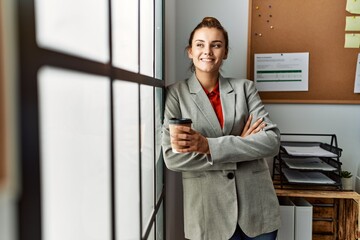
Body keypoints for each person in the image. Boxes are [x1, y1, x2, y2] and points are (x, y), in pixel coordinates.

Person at [162, 17, 281, 240]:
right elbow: (173, 158)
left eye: (216, 45)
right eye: (200, 44)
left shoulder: (245, 89)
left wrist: (207, 146)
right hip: (208, 216)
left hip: (257, 211)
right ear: (190, 51)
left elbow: (271, 141)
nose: (207, 51)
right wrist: (243, 144)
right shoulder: (175, 95)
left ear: (225, 52)